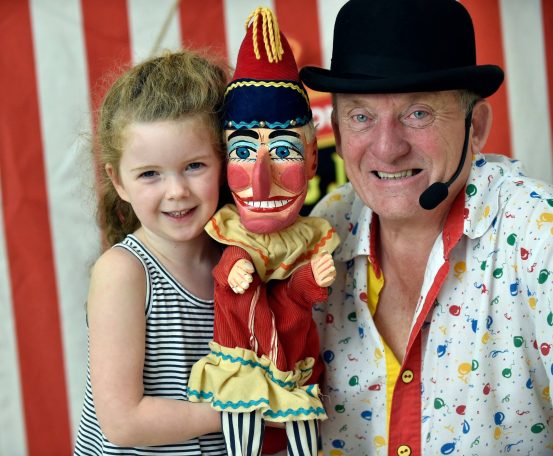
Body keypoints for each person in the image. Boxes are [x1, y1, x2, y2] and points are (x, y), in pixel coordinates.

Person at [299, 0, 553, 454]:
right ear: (336, 131)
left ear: (476, 128)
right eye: (361, 117)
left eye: (418, 113)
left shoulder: (539, 234)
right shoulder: (323, 233)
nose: (387, 147)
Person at [187, 8, 340, 456]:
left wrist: (309, 282)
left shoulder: (314, 236)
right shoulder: (229, 237)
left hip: (294, 371)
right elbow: (237, 298)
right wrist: (233, 269)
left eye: (285, 151)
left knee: (304, 436)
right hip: (244, 372)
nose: (259, 181)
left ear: (314, 159)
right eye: (241, 152)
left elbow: (289, 303)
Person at [73, 50, 230, 455]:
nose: (176, 190)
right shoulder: (123, 273)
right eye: (149, 174)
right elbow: (123, 422)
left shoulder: (235, 259)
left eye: (194, 166)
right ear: (118, 181)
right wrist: (249, 409)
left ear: (224, 161)